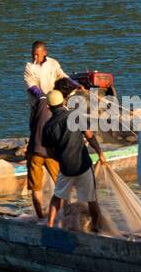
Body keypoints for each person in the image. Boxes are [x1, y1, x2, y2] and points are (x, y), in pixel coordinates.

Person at [41, 89, 107, 232]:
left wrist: (60, 159)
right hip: (83, 165)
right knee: (91, 199)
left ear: (48, 107)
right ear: (63, 102)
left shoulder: (48, 127)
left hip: (65, 169)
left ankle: (50, 225)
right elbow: (90, 136)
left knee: (57, 196)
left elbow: (49, 151)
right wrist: (100, 153)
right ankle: (97, 229)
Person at [26, 88, 59, 219]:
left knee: (36, 188)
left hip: (34, 151)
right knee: (62, 186)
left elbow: (31, 125)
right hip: (52, 154)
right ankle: (60, 214)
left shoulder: (40, 103)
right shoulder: (62, 112)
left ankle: (40, 217)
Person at [23, 40, 80, 106]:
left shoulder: (52, 63)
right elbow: (31, 86)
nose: (35, 57)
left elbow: (62, 76)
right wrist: (43, 97)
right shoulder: (29, 67)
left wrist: (76, 85)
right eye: (33, 54)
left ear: (44, 53)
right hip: (38, 103)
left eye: (37, 55)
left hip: (54, 100)